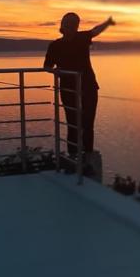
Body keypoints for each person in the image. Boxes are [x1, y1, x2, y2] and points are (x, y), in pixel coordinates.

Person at [43, 12, 115, 173]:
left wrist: (108, 22)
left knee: (88, 124)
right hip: (68, 89)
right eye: (69, 24)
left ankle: (88, 159)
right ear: (63, 26)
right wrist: (56, 71)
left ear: (76, 26)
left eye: (74, 24)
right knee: (73, 124)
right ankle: (73, 158)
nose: (72, 27)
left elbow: (95, 31)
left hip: (88, 87)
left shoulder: (82, 38)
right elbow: (46, 66)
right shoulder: (55, 45)